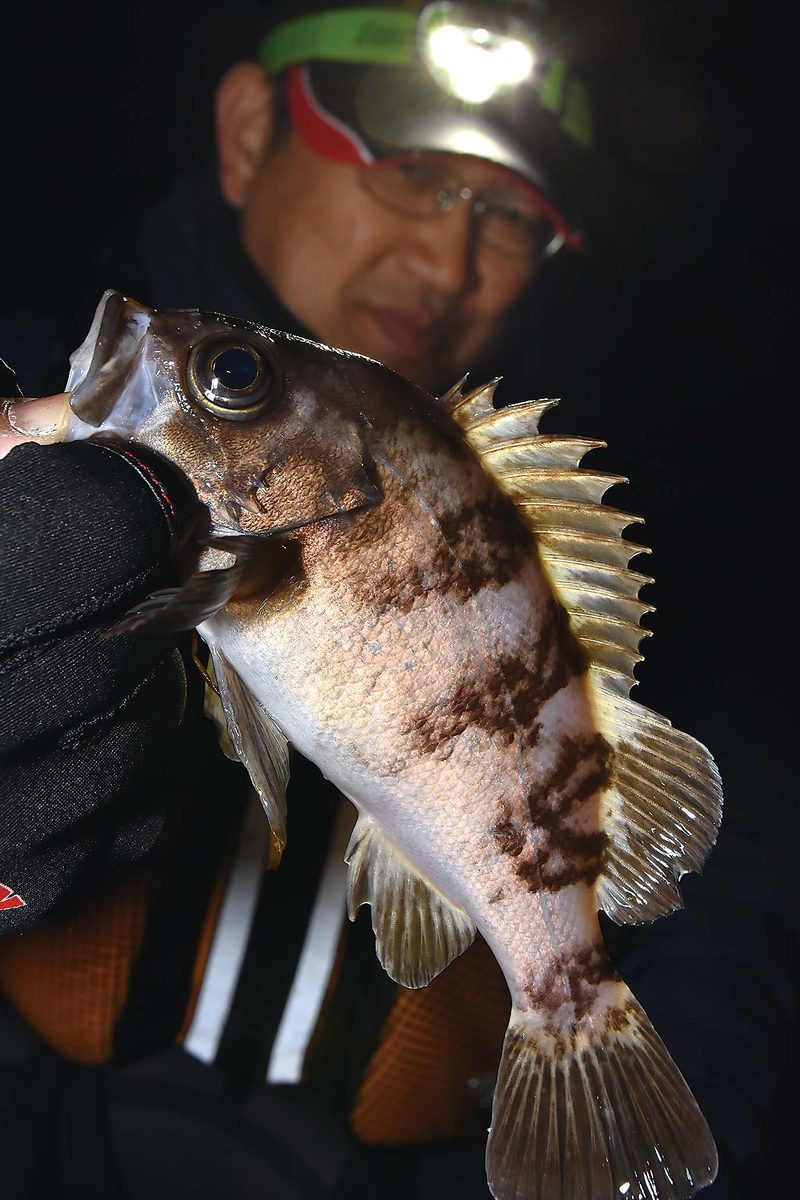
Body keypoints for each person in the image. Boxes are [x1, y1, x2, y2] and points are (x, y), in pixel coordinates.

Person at [1, 2, 796, 1198]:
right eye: (413, 173)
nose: (449, 261)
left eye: (514, 216)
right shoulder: (32, 386)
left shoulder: (670, 545)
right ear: (249, 128)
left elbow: (732, 914)